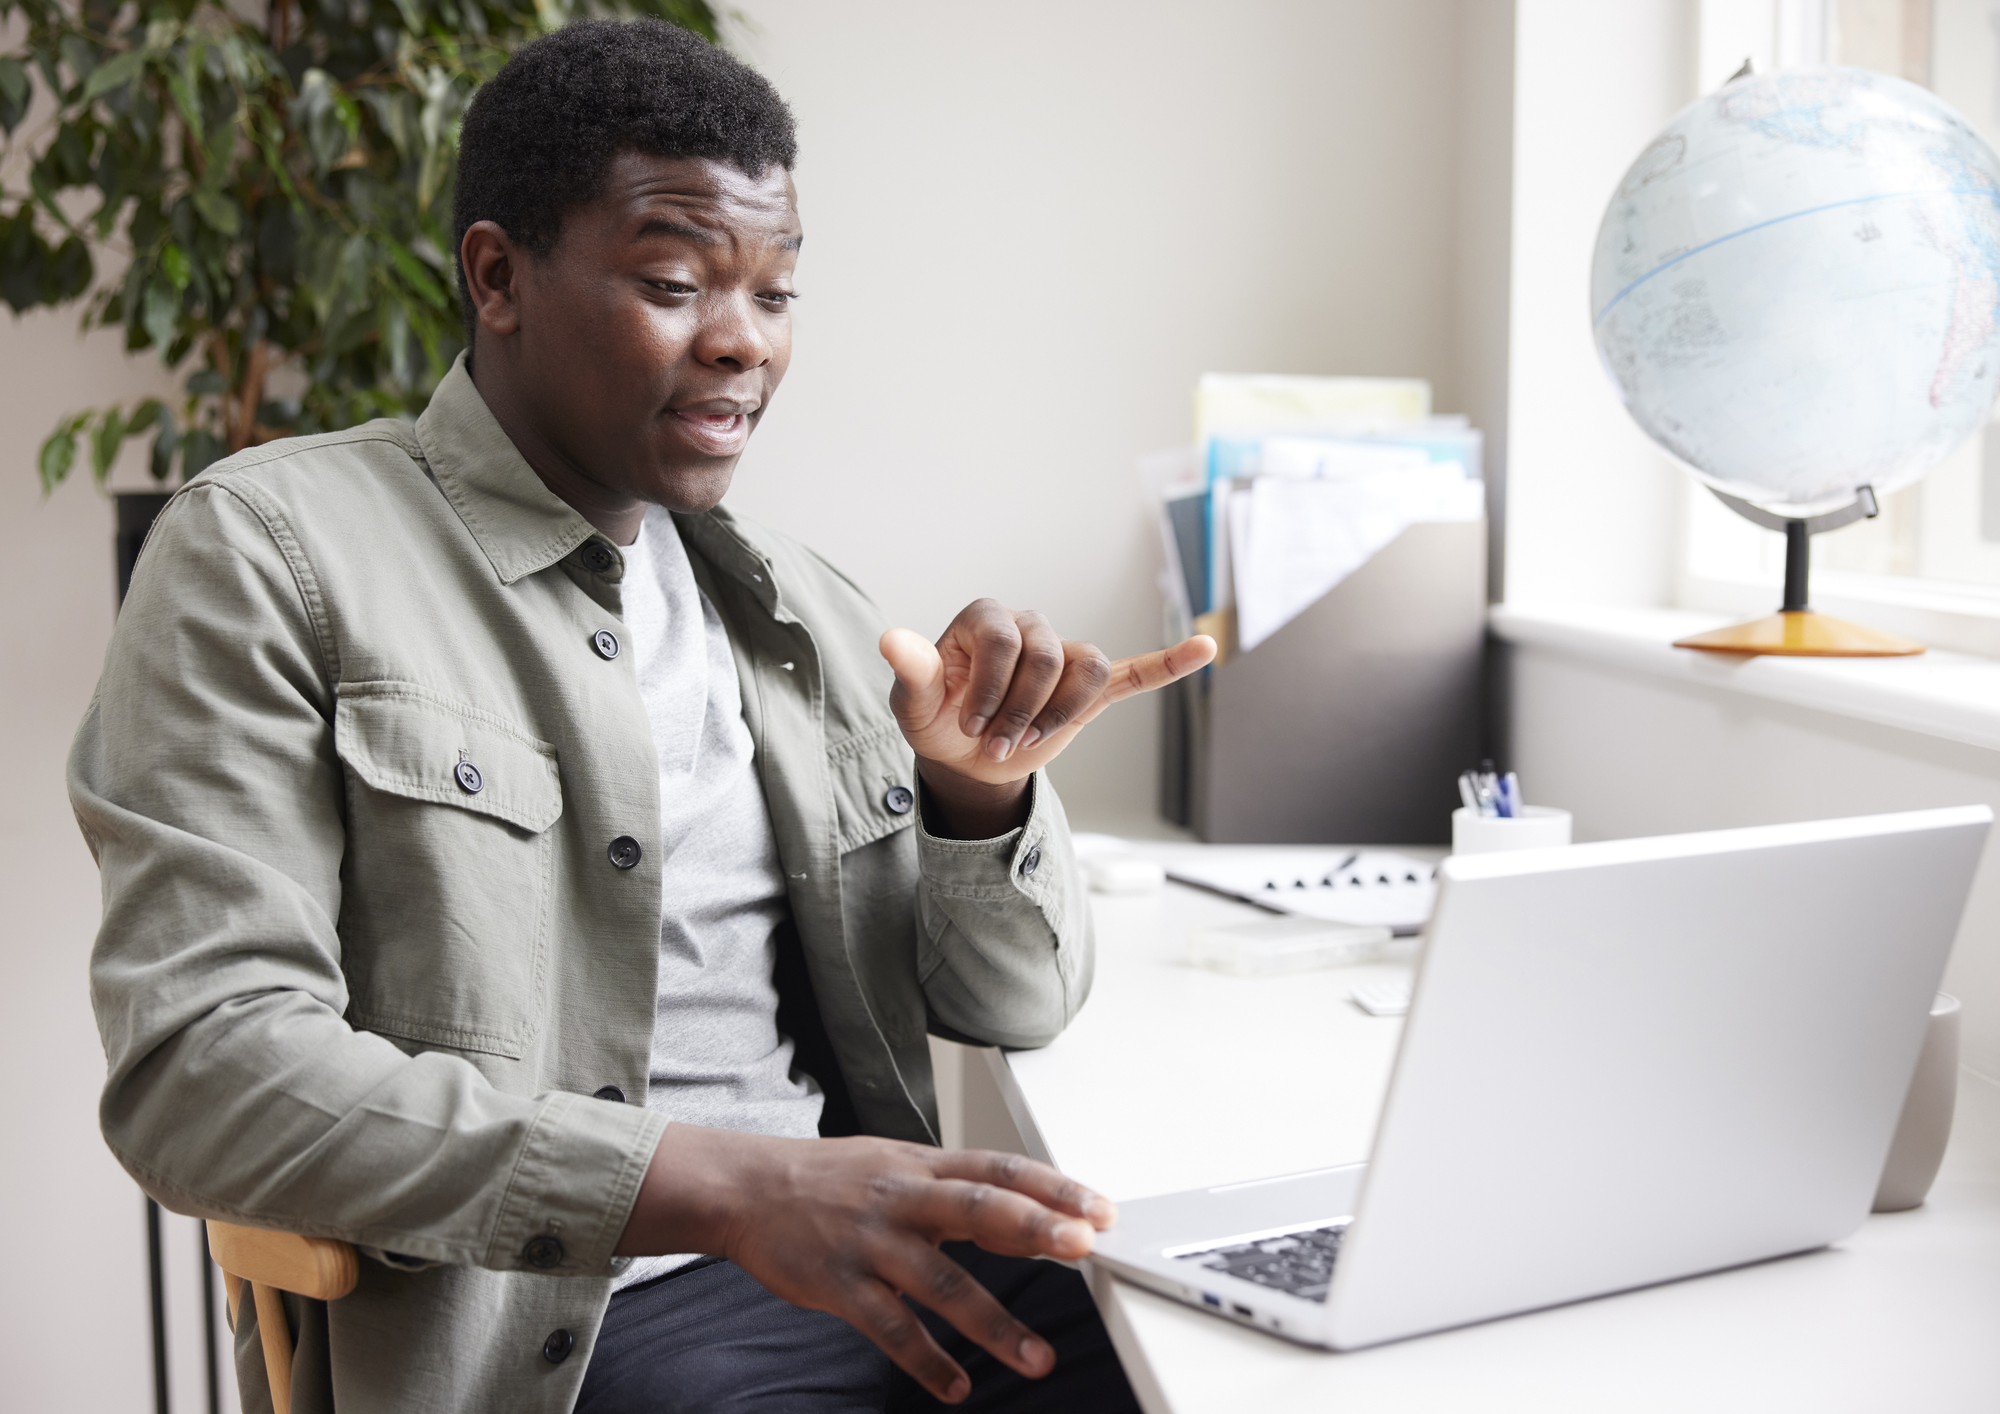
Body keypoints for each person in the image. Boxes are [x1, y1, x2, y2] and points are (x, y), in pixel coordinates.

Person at [70, 17, 1213, 1413]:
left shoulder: (796, 603)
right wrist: (724, 1187)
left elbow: (1014, 1001)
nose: (741, 343)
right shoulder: (269, 553)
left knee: (1228, 1354)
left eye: (777, 294)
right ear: (498, 276)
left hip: (865, 1272)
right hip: (561, 1337)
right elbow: (207, 1069)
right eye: (675, 282)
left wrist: (978, 799)